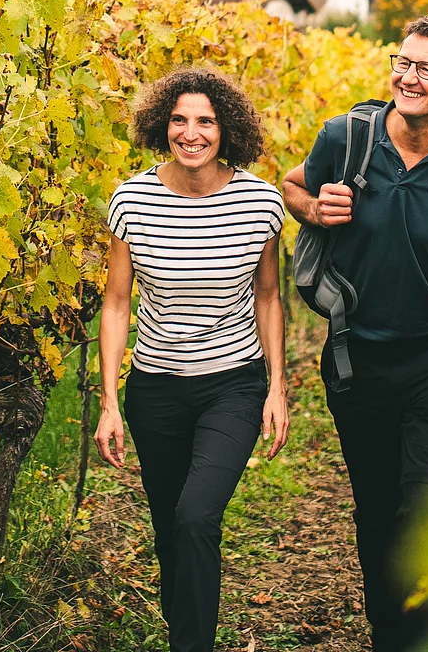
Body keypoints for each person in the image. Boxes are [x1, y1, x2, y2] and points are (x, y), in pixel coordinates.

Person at [281, 14, 428, 651]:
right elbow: (292, 186)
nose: (408, 78)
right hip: (355, 359)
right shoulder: (345, 138)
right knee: (378, 515)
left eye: (427, 69)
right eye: (403, 62)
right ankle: (392, 637)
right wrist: (313, 208)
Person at [95, 67, 290, 652]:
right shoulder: (133, 201)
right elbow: (116, 301)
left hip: (232, 384)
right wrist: (109, 401)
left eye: (205, 121)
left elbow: (269, 297)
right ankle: (186, 627)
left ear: (225, 128)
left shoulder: (262, 202)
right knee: (168, 529)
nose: (192, 132)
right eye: (180, 120)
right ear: (163, 126)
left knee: (197, 517)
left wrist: (277, 387)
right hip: (155, 390)